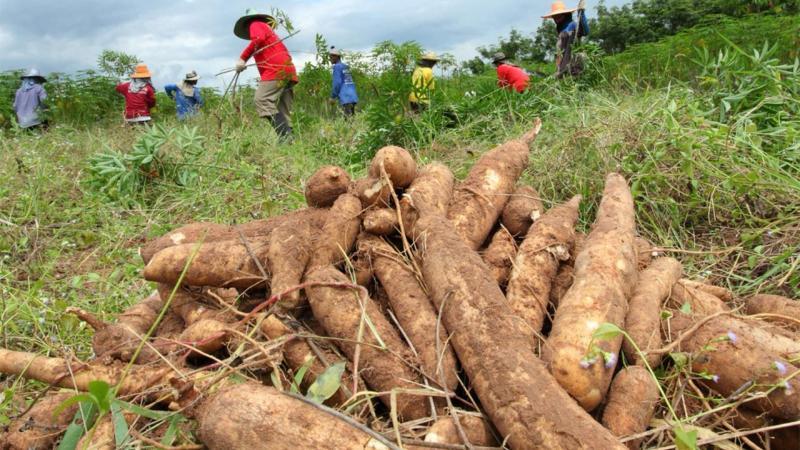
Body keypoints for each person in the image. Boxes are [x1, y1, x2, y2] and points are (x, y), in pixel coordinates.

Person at [234, 8, 298, 138]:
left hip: (276, 69)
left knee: (262, 99)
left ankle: (285, 136)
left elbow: (258, 38)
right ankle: (291, 140)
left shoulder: (255, 24)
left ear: (247, 23)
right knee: (282, 108)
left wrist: (242, 59)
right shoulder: (270, 32)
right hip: (287, 69)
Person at [542, 0, 589, 78]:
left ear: (564, 15)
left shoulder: (572, 25)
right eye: (554, 16)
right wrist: (558, 69)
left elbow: (585, 31)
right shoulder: (560, 30)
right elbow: (560, 54)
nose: (556, 19)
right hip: (564, 70)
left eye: (558, 16)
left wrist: (582, 13)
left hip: (574, 65)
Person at [328, 48, 358, 117]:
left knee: (347, 120)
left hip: (346, 97)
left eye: (331, 57)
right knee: (352, 118)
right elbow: (348, 82)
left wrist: (332, 97)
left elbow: (337, 84)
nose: (330, 59)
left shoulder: (337, 67)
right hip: (352, 96)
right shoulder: (345, 67)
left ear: (336, 57)